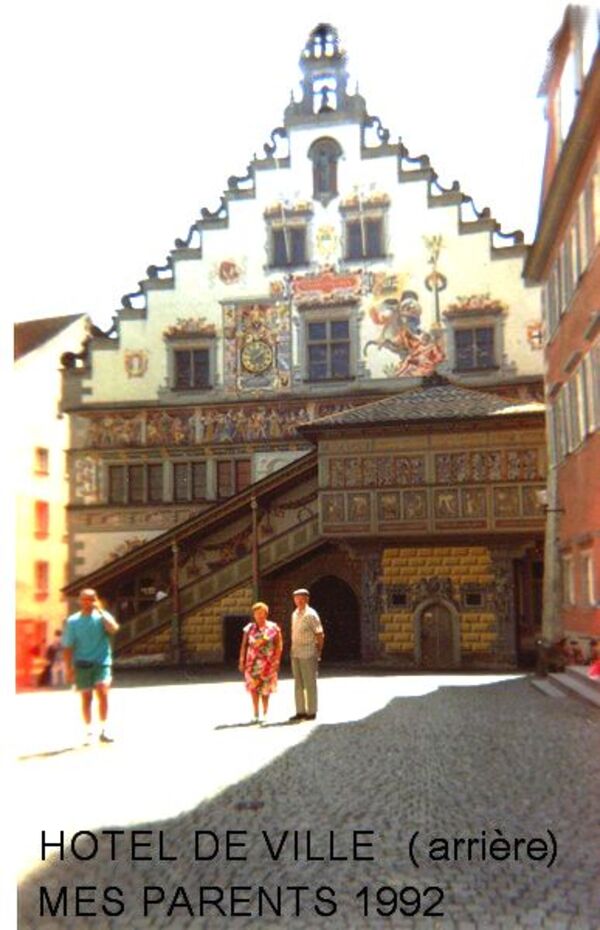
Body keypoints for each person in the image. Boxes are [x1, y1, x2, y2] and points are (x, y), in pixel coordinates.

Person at [62, 588, 120, 744]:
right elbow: (68, 646)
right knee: (86, 698)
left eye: (91, 599)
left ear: (96, 600)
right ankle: (88, 731)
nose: (88, 602)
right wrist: (68, 669)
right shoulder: (73, 621)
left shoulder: (102, 617)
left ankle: (104, 729)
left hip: (101, 662)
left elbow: (114, 629)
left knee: (103, 691)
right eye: (85, 599)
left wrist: (101, 612)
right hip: (82, 664)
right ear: (79, 601)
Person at [238, 602, 283, 724]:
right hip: (251, 663)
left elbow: (279, 645)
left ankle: (266, 713)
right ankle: (256, 714)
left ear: (266, 614)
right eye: (257, 613)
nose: (259, 616)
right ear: (254, 615)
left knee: (266, 689)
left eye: (262, 613)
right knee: (253, 688)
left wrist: (277, 659)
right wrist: (241, 660)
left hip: (268, 663)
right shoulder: (249, 628)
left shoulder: (273, 627)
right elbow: (244, 645)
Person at [289, 587, 324, 722]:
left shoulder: (311, 614)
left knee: (309, 682)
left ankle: (311, 711)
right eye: (296, 598)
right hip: (296, 651)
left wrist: (318, 651)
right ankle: (300, 711)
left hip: (308, 652)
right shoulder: (294, 614)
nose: (298, 600)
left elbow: (320, 634)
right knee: (298, 683)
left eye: (301, 598)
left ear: (307, 599)